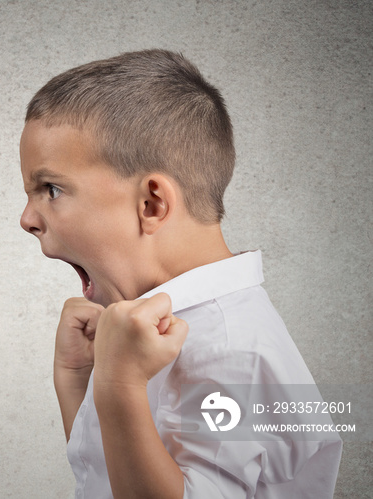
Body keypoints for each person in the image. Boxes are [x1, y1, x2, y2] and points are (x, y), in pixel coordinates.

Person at [18, 50, 342, 498]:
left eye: (50, 189)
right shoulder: (142, 336)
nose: (27, 219)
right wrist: (79, 378)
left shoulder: (229, 355)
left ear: (151, 204)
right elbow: (110, 479)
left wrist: (118, 387)